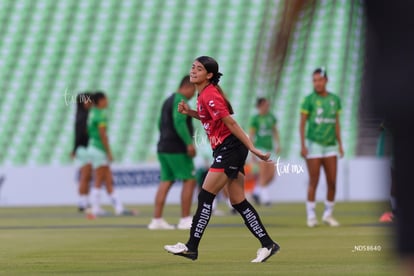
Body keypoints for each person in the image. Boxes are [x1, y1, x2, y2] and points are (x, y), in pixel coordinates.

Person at [164, 56, 280, 262]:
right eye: (192, 67)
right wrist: (189, 111)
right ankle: (268, 244)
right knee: (237, 201)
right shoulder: (204, 95)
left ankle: (191, 247)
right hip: (226, 149)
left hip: (230, 149)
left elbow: (231, 123)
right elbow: (209, 117)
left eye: (198, 69)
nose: (193, 71)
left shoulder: (209, 95)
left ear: (209, 75)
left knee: (205, 196)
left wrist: (252, 148)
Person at [148, 75, 197, 230]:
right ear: (188, 87)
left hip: (163, 147)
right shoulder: (180, 100)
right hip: (177, 148)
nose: (194, 94)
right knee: (189, 179)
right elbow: (179, 122)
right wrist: (189, 143)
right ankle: (185, 219)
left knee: (166, 181)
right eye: (194, 90)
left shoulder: (167, 100)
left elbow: (159, 123)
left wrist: (165, 138)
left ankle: (156, 220)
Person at [299, 68, 344, 228]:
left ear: (326, 81)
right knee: (314, 180)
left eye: (319, 80)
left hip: (331, 145)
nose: (317, 83)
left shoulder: (335, 100)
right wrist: (303, 145)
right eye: (314, 80)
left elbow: (336, 123)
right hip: (314, 145)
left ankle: (328, 214)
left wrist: (340, 144)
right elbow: (302, 123)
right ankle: (311, 215)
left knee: (332, 182)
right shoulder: (308, 100)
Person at [87, 92, 133, 217]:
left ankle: (119, 207)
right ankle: (95, 208)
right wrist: (109, 152)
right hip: (99, 149)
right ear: (100, 100)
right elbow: (103, 135)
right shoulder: (101, 115)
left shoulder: (92, 113)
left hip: (93, 147)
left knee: (108, 179)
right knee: (99, 179)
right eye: (105, 99)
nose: (107, 101)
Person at [249, 97, 281, 206]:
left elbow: (275, 131)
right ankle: (266, 199)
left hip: (270, 148)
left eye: (267, 105)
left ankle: (256, 192)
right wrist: (252, 151)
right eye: (264, 105)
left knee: (272, 175)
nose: (266, 107)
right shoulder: (255, 119)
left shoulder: (271, 117)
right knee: (263, 174)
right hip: (260, 149)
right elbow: (251, 135)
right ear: (259, 106)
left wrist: (278, 144)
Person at [71, 92, 93, 212]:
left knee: (87, 176)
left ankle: (84, 200)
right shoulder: (83, 116)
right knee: (85, 175)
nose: (90, 102)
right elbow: (79, 135)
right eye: (87, 100)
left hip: (82, 148)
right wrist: (75, 149)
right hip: (83, 148)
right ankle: (82, 201)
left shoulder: (82, 115)